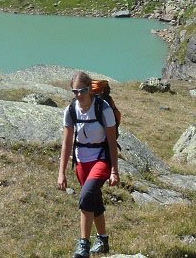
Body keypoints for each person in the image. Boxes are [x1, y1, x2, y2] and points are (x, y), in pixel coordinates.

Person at [57, 71, 120, 258]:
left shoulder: (103, 108)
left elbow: (111, 141)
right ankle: (103, 240)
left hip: (101, 159)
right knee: (94, 201)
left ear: (90, 89)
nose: (79, 95)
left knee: (86, 197)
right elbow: (66, 144)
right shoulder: (70, 110)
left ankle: (83, 245)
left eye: (82, 90)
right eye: (75, 91)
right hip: (81, 161)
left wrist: (114, 170)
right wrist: (61, 173)